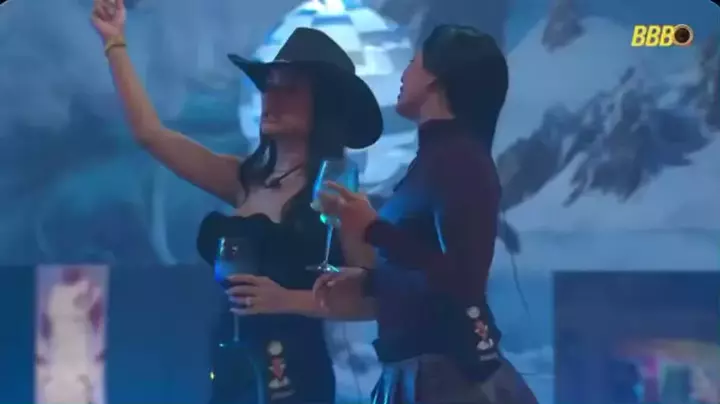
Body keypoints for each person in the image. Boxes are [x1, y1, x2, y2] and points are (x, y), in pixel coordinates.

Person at [90, 0, 383, 402]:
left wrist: (287, 300)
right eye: (268, 86)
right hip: (233, 361)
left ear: (324, 105)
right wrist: (115, 42)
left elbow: (376, 299)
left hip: (296, 372)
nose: (271, 98)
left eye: (288, 89)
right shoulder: (244, 179)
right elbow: (151, 134)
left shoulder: (340, 198)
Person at [313, 25, 538, 403]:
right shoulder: (436, 159)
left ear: (437, 78)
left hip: (448, 379)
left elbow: (464, 280)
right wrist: (371, 282)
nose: (404, 74)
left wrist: (374, 230)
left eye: (413, 62)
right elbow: (430, 273)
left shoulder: (460, 160)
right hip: (422, 374)